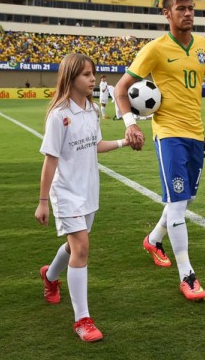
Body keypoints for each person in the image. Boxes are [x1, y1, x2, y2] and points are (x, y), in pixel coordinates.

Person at [114, 0, 205, 302]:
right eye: (181, 9)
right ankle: (187, 275)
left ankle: (153, 239)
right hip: (169, 135)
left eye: (191, 8)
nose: (188, 13)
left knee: (184, 200)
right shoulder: (154, 49)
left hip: (195, 135)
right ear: (167, 14)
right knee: (178, 204)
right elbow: (123, 89)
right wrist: (130, 123)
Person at [34, 53, 134, 342]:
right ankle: (83, 320)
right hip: (65, 192)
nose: (93, 79)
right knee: (81, 248)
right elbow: (50, 160)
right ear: (71, 78)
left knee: (74, 245)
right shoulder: (59, 115)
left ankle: (50, 276)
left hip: (88, 189)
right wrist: (43, 201)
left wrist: (123, 142)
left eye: (93, 74)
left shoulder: (91, 110)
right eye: (87, 75)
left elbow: (94, 145)